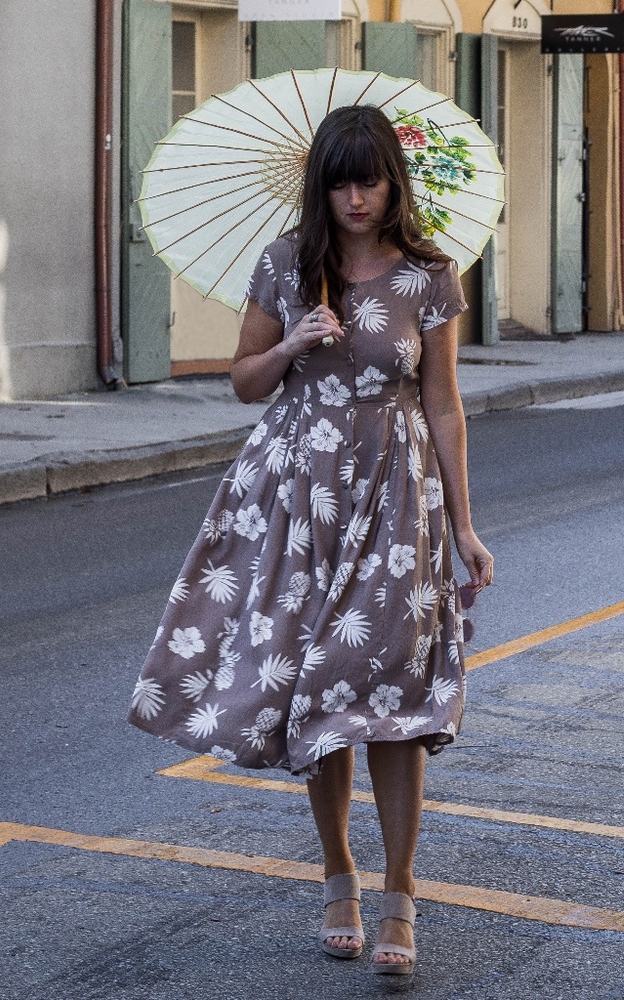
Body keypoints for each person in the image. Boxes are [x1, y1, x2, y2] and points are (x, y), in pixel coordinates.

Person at [128, 104, 493, 978]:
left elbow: (442, 403)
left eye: (369, 181)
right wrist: (292, 340)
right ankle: (340, 880)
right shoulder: (287, 266)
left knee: (396, 695)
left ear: (391, 184)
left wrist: (464, 525)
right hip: (296, 496)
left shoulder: (429, 277)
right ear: (320, 184)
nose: (355, 198)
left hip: (397, 498)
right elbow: (243, 384)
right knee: (320, 694)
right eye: (340, 181)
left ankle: (401, 893)